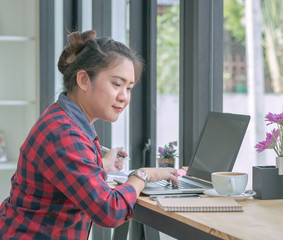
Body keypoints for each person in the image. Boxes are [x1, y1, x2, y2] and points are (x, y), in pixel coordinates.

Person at [0, 30, 179, 240]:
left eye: (129, 88)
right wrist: (142, 176)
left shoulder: (65, 119)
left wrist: (100, 165)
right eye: (116, 84)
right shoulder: (64, 133)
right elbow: (110, 211)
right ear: (84, 80)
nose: (124, 97)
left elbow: (65, 177)